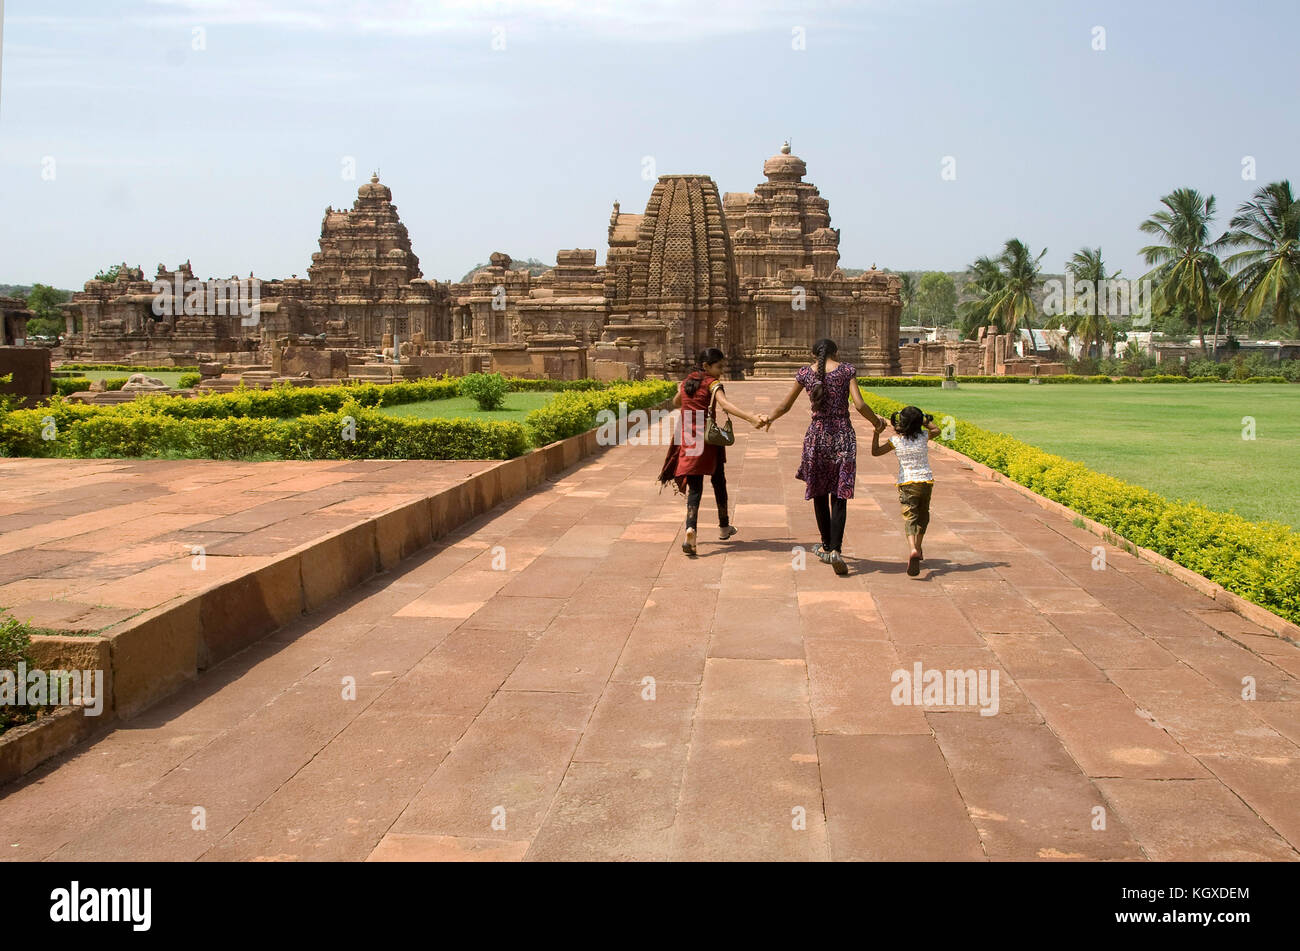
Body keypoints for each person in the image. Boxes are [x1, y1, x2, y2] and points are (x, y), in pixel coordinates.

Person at [760, 339, 884, 575]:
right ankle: (836, 549)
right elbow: (859, 404)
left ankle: (826, 545)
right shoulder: (847, 370)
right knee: (840, 493)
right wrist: (876, 422)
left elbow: (785, 406)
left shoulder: (805, 373)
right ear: (836, 352)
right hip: (843, 435)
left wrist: (769, 419)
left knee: (819, 490)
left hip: (817, 436)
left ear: (812, 353)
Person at [657, 348, 768, 556]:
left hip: (688, 436)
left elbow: (676, 402)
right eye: (718, 366)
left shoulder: (687, 381)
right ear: (707, 366)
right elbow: (726, 404)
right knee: (718, 480)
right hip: (707, 437)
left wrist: (690, 403)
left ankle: (691, 528)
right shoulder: (712, 383)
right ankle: (724, 526)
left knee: (695, 487)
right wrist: (751, 418)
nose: (721, 370)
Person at [871, 404, 941, 576]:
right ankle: (918, 546)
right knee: (923, 515)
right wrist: (924, 419)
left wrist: (876, 434)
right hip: (926, 481)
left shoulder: (895, 441)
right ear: (918, 423)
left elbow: (875, 452)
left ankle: (912, 549)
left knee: (910, 516)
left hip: (907, 483)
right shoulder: (924, 436)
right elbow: (937, 429)